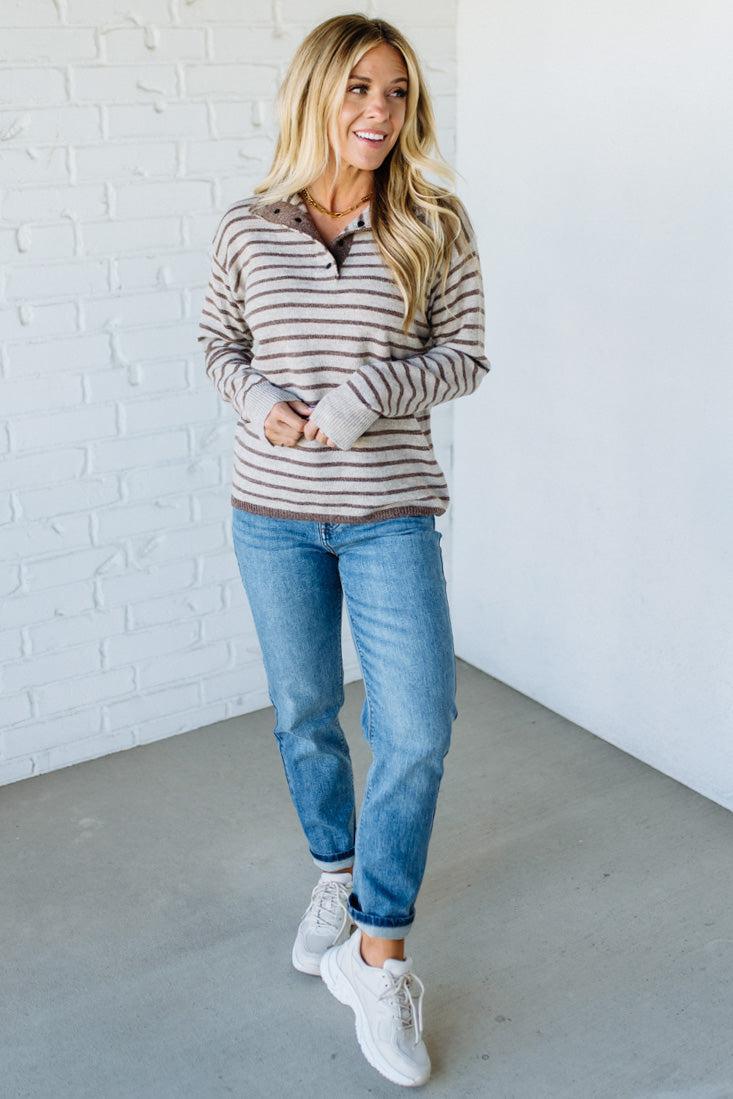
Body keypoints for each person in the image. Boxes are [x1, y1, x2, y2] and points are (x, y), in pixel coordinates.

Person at [198, 13, 491, 1088]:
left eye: (398, 93)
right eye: (360, 88)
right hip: (269, 512)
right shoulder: (248, 224)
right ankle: (335, 870)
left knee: (415, 723)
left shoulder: (435, 224)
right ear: (317, 93)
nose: (378, 111)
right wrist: (260, 395)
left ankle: (380, 949)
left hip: (389, 512)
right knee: (305, 713)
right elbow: (216, 342)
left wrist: (372, 390)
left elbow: (464, 357)